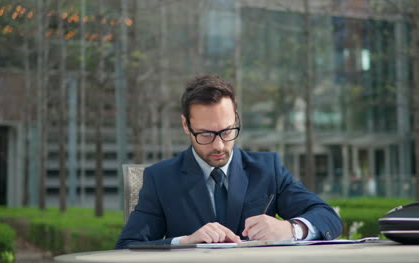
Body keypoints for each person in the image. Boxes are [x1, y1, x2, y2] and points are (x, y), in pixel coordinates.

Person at [115, 75, 342, 248]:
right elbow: (128, 246)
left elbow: (327, 217)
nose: (219, 145)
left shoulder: (267, 169)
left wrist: (290, 229)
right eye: (205, 134)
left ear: (236, 119)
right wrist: (184, 242)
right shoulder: (161, 178)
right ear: (186, 125)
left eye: (227, 131)